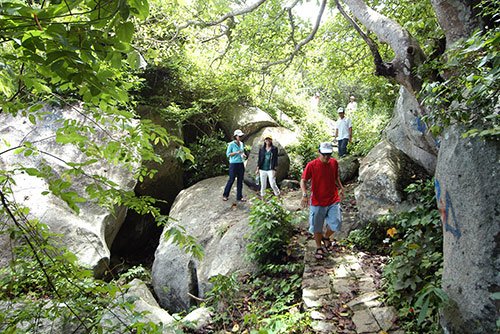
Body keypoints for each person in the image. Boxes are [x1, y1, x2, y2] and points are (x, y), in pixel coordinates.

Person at [300, 142, 344, 260]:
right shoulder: (312, 165)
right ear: (319, 152)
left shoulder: (334, 163)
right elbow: (303, 180)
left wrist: (341, 187)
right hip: (317, 201)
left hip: (333, 199)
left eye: (329, 154)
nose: (326, 157)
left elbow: (336, 177)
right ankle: (319, 247)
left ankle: (326, 237)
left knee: (337, 223)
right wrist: (304, 194)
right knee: (316, 227)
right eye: (324, 154)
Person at [223, 129, 247, 202]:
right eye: (239, 136)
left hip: (240, 163)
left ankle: (239, 197)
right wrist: (236, 152)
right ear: (235, 136)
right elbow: (228, 154)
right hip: (233, 164)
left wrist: (243, 155)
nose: (240, 137)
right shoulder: (231, 144)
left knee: (240, 180)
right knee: (231, 179)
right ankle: (225, 195)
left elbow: (242, 152)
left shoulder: (242, 143)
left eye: (241, 136)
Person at [255, 134, 280, 198]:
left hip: (271, 169)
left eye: (269, 139)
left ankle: (278, 196)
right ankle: (263, 199)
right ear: (264, 140)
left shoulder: (274, 149)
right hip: (262, 169)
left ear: (271, 140)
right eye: (266, 139)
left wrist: (275, 169)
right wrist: (257, 169)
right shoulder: (262, 149)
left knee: (272, 184)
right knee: (263, 185)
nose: (267, 141)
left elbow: (275, 159)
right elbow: (259, 159)